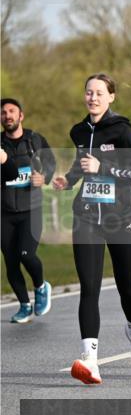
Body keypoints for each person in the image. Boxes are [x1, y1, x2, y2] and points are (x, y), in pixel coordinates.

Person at [51, 74, 131, 385]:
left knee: (127, 289)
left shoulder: (121, 129)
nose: (92, 97)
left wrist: (103, 167)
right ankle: (90, 360)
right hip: (86, 219)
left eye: (99, 93)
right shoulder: (78, 131)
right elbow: (81, 164)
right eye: (88, 92)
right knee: (89, 288)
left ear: (111, 97)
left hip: (121, 219)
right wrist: (68, 180)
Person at [1, 98, 56, 323]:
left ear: (21, 115)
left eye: (12, 111)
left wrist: (45, 177)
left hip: (30, 209)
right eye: (3, 113)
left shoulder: (35, 140)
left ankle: (41, 286)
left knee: (27, 254)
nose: (7, 115)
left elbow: (51, 163)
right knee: (11, 260)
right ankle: (24, 306)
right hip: (3, 212)